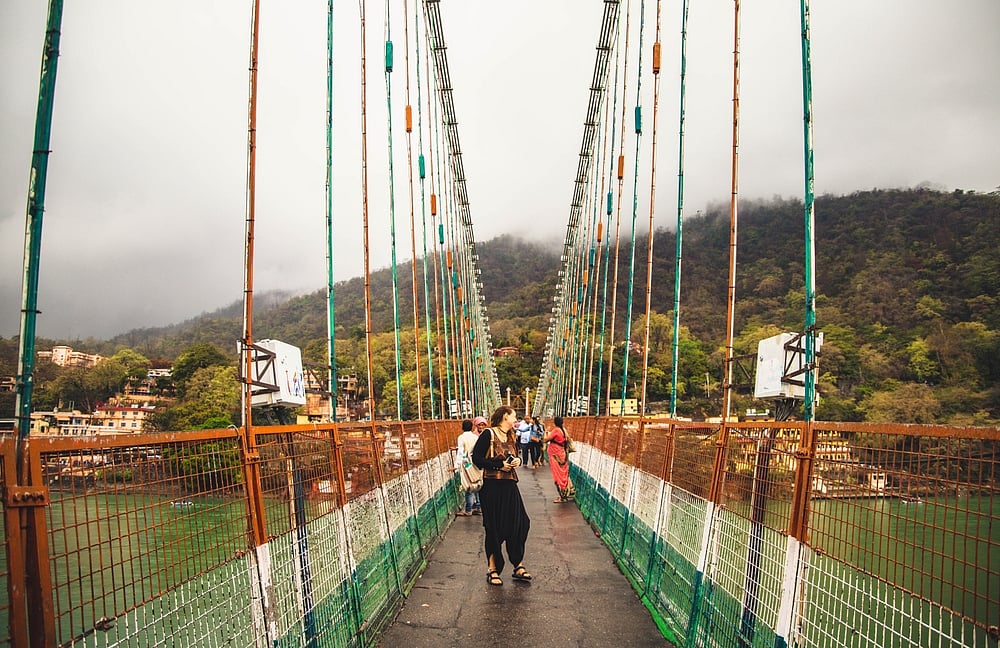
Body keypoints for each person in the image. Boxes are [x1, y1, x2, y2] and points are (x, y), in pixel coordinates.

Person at [471, 405, 532, 586]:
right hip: (492, 486)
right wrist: (499, 466)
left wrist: (517, 461)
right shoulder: (488, 434)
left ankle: (517, 564)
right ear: (505, 416)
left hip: (510, 485)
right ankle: (493, 569)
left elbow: (516, 454)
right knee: (494, 528)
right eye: (514, 417)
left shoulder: (512, 435)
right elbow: (476, 458)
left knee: (520, 524)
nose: (516, 420)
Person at [544, 415, 576, 503]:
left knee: (558, 475)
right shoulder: (564, 430)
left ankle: (562, 496)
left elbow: (545, 440)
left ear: (555, 422)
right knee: (563, 474)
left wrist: (546, 433)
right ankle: (568, 492)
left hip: (555, 455)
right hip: (562, 454)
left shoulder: (556, 431)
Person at [454, 418, 483, 516]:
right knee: (477, 484)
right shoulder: (475, 437)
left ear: (462, 427)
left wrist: (457, 465)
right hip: (475, 462)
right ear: (472, 427)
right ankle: (479, 507)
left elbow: (461, 452)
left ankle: (468, 509)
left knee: (468, 486)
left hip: (467, 464)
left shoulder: (461, 437)